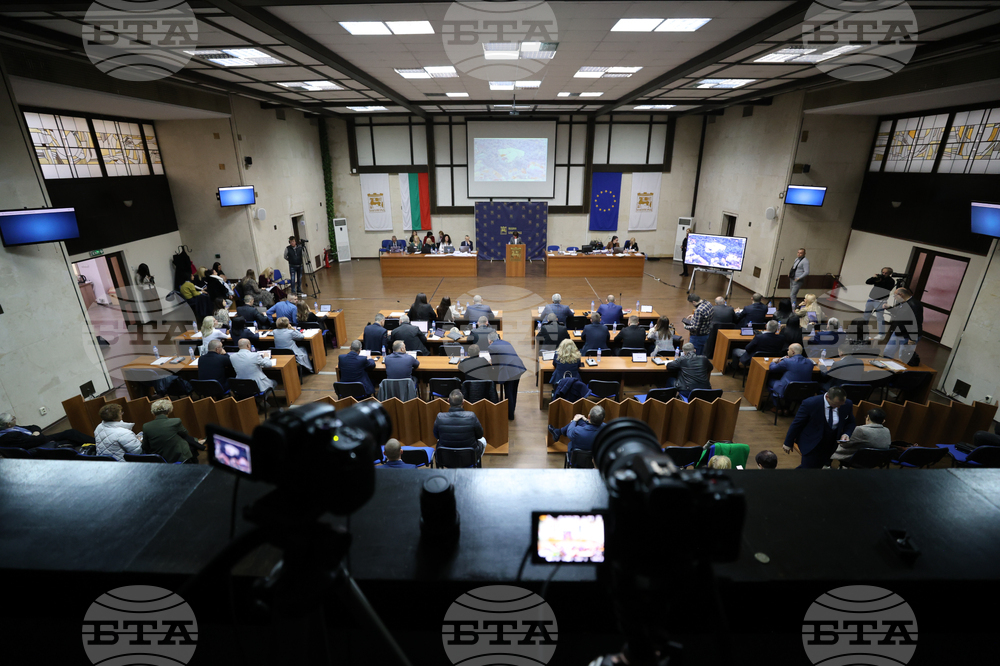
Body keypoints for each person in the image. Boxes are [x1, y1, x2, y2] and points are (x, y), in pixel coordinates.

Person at [782, 386, 856, 469]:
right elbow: (797, 424)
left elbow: (851, 422)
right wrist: (788, 442)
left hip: (830, 445)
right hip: (811, 443)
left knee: (817, 467)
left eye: (841, 405)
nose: (839, 407)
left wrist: (847, 433)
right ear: (827, 397)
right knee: (808, 469)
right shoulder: (810, 403)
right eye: (835, 404)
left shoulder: (847, 404)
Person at [142, 398, 203, 463]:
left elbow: (145, 446)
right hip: (177, 456)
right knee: (185, 440)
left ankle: (199, 443)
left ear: (153, 412)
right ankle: (199, 445)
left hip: (160, 458)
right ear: (169, 410)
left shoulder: (146, 426)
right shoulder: (175, 421)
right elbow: (185, 433)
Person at [434, 390, 486, 461]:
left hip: (446, 457)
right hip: (469, 457)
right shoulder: (471, 416)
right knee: (483, 440)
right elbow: (480, 435)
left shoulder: (439, 417)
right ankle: (475, 463)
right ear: (463, 402)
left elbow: (437, 436)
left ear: (448, 401)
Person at [0, 411, 92, 450]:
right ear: (8, 424)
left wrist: (36, 432)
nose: (15, 419)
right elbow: (37, 440)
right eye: (13, 418)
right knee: (72, 434)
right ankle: (97, 443)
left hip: (38, 439)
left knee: (71, 434)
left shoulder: (12, 428)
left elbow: (33, 426)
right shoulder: (9, 436)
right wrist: (37, 434)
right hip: (40, 444)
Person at [487, 331, 526, 420]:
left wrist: (495, 375)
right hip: (518, 367)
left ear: (490, 341)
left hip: (508, 370)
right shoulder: (506, 342)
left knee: (508, 392)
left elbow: (495, 364)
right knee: (513, 391)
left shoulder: (491, 347)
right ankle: (512, 411)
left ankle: (510, 416)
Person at [767, 344, 816, 413]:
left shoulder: (787, 362)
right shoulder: (810, 362)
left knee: (769, 381)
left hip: (787, 389)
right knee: (792, 385)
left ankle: (777, 407)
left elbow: (772, 368)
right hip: (803, 391)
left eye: (788, 350)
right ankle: (787, 408)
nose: (787, 351)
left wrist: (773, 362)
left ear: (793, 352)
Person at [883, 287, 923, 362]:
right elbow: (900, 314)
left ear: (900, 295)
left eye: (895, 296)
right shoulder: (902, 303)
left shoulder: (915, 305)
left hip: (908, 335)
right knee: (888, 352)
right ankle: (884, 368)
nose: (894, 298)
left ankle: (904, 372)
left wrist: (913, 338)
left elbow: (917, 322)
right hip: (898, 332)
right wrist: (889, 308)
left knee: (904, 356)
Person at [864, 267, 896, 340]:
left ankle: (881, 334)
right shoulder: (878, 278)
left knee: (879, 317)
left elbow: (886, 289)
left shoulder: (891, 281)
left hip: (881, 301)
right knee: (866, 316)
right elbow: (868, 282)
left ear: (889, 274)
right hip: (871, 299)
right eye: (883, 272)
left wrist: (880, 280)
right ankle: (863, 331)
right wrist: (873, 277)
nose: (884, 274)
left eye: (886, 273)